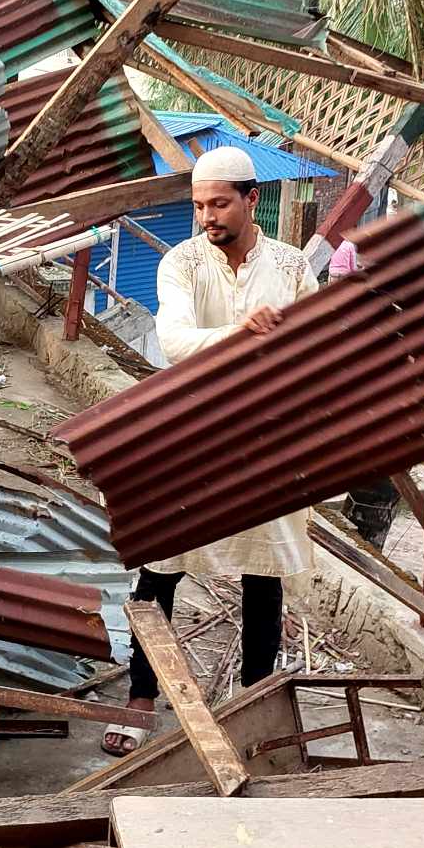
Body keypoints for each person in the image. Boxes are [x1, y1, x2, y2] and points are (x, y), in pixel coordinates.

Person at [102, 145, 317, 756]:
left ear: (253, 199)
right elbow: (173, 341)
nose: (207, 216)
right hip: (193, 430)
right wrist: (242, 334)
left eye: (219, 203)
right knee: (162, 563)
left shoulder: (294, 267)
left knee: (264, 570)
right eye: (198, 204)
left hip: (269, 434)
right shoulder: (183, 262)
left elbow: (306, 348)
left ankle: (253, 709)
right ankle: (142, 697)